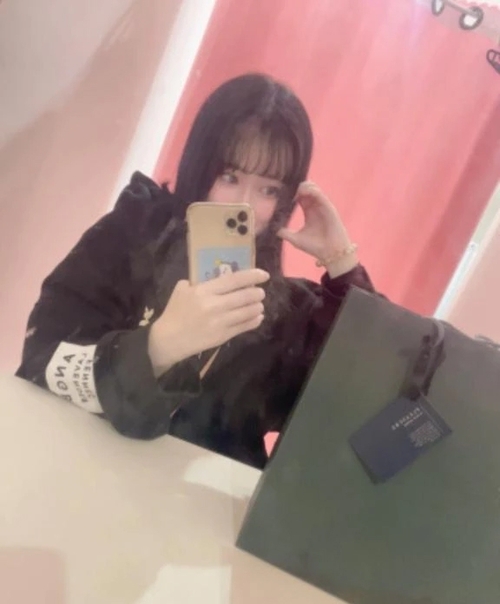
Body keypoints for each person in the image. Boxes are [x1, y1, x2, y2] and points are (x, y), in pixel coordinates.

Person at [17, 73, 375, 469]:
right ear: (199, 167)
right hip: (80, 476)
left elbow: (363, 409)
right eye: (229, 177)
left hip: (199, 504)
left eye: (269, 189)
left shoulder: (285, 310)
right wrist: (159, 345)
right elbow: (42, 360)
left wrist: (342, 263)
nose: (244, 205)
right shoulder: (130, 236)